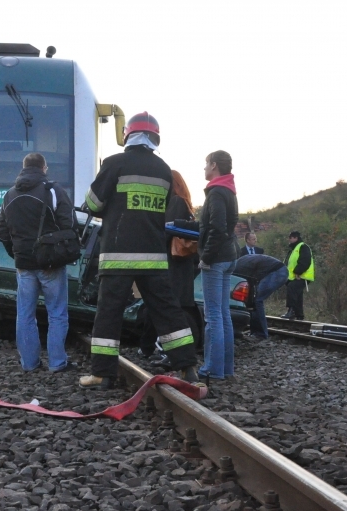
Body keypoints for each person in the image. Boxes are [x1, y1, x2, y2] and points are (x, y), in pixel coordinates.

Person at [78, 112, 201, 390]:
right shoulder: (164, 170)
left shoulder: (114, 163)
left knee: (108, 313)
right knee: (167, 313)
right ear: (155, 138)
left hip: (117, 256)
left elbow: (94, 204)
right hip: (154, 257)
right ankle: (188, 368)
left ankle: (102, 375)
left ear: (127, 135)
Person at [0, 153, 76, 372]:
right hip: (50, 262)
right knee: (57, 313)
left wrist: (16, 253)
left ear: (23, 168)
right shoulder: (52, 190)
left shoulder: (9, 195)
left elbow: (2, 231)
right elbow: (68, 224)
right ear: (44, 168)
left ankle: (29, 363)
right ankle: (58, 363)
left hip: (24, 265)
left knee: (25, 315)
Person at [138, 170, 198, 360]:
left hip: (173, 265)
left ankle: (158, 349)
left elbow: (165, 232)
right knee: (163, 307)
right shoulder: (184, 204)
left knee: (163, 307)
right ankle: (149, 347)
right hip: (179, 266)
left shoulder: (175, 203)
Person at [189, 150, 238, 380]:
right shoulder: (229, 190)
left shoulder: (217, 192)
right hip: (228, 256)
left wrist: (205, 257)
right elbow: (231, 224)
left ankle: (213, 369)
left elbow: (217, 228)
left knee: (213, 316)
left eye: (206, 163)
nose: (204, 168)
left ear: (215, 165)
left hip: (216, 259)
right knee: (224, 314)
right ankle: (226, 368)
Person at [232, 254, 288, 338]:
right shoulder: (240, 263)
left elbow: (247, 284)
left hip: (277, 272)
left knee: (257, 300)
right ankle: (255, 331)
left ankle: (261, 333)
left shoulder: (238, 269)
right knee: (254, 301)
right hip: (278, 270)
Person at [281, 231, 314, 320]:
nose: (289, 240)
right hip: (295, 276)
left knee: (292, 288)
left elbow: (305, 261)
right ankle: (299, 314)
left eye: (290, 238)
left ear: (295, 238)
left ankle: (291, 311)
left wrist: (298, 272)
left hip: (302, 276)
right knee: (298, 294)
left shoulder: (303, 247)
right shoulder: (294, 249)